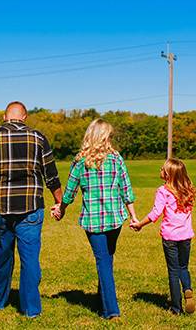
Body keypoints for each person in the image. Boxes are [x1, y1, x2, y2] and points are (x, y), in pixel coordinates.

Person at [0, 101, 62, 318]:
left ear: (5, 117)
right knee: (30, 258)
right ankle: (31, 309)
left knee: (1, 256)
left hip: (0, 208)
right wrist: (59, 201)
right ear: (25, 117)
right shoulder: (38, 138)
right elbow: (51, 174)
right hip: (30, 208)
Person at [52, 118, 138, 321]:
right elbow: (126, 190)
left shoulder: (80, 161)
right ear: (104, 137)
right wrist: (133, 215)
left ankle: (111, 311)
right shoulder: (116, 158)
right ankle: (104, 300)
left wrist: (61, 208)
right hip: (115, 219)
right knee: (107, 259)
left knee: (104, 261)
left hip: (94, 221)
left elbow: (69, 192)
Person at [130, 158, 196, 315]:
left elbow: (155, 214)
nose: (159, 170)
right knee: (183, 267)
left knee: (173, 271)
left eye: (162, 169)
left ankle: (176, 308)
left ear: (167, 174)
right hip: (186, 236)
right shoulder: (188, 190)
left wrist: (140, 224)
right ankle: (187, 289)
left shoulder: (163, 191)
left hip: (170, 237)